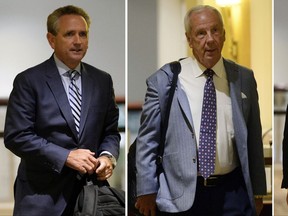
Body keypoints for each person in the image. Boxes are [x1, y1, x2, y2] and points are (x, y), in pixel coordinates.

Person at [134, 5, 266, 216]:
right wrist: (146, 190)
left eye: (215, 31)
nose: (210, 39)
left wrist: (258, 191)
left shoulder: (244, 78)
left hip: (233, 193)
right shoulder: (164, 80)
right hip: (181, 195)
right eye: (201, 33)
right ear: (189, 40)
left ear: (224, 35)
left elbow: (253, 140)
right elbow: (147, 141)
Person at [4, 5, 120, 216]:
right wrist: (65, 156)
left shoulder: (102, 80)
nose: (78, 41)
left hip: (90, 198)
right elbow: (17, 135)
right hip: (40, 198)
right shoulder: (29, 81)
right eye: (69, 34)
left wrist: (106, 157)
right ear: (51, 39)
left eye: (83, 34)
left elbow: (110, 132)